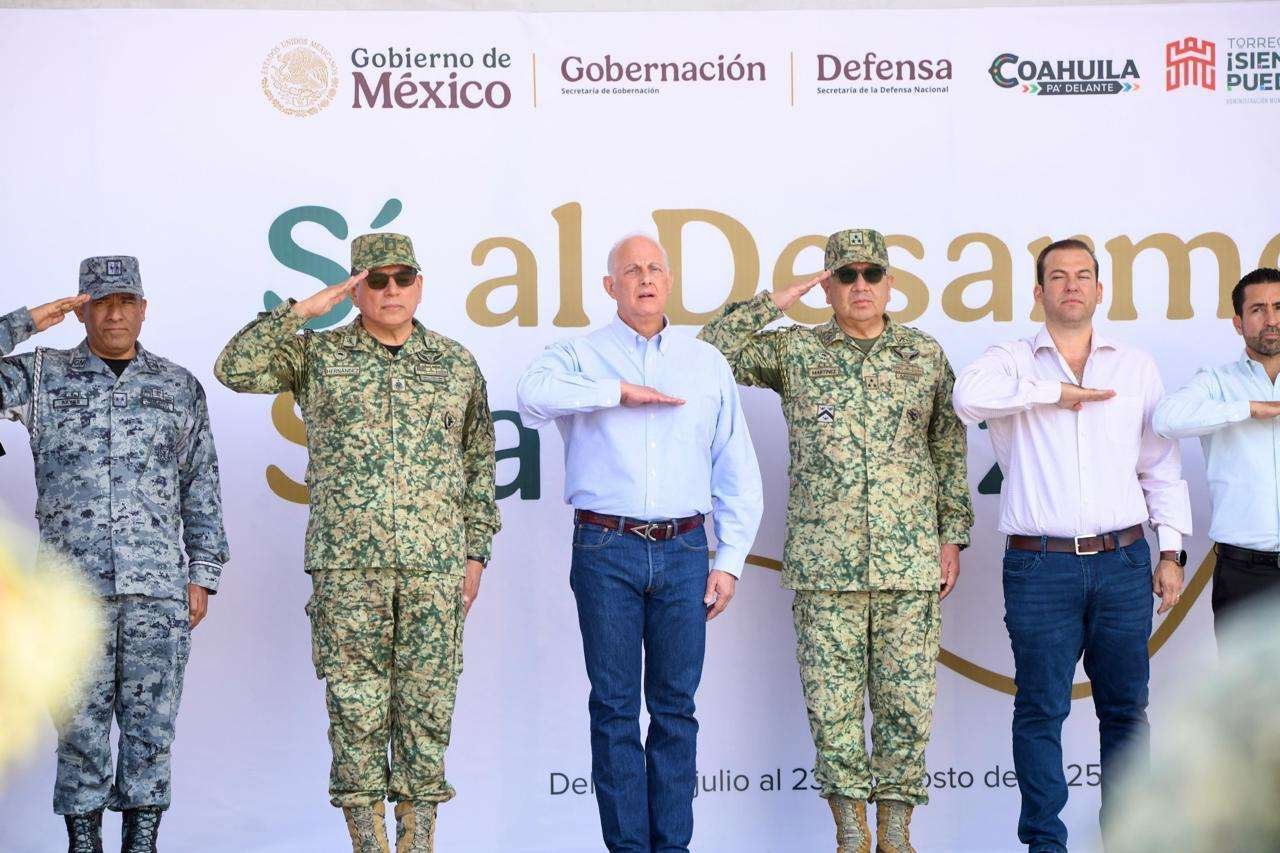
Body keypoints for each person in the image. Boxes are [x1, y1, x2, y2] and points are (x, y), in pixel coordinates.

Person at [214, 233, 500, 853]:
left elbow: (479, 463)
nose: (391, 290)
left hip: (434, 568)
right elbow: (232, 368)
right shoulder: (318, 355)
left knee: (427, 710)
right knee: (355, 710)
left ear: (420, 284)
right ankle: (369, 847)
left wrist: (475, 553)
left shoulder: (455, 363)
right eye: (376, 279)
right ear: (356, 288)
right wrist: (302, 311)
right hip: (348, 568)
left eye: (403, 277)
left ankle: (417, 845)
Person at [698, 227, 973, 853]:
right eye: (845, 275)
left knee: (908, 707)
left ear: (890, 283)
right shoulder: (797, 351)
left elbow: (947, 449)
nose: (859, 286)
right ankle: (851, 836)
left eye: (871, 274)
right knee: (832, 710)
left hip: (909, 564)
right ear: (829, 287)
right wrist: (777, 301)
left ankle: (896, 838)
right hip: (825, 569)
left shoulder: (923, 355)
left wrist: (951, 536)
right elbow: (710, 350)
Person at [516, 233, 762, 853]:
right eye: (631, 270)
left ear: (670, 281)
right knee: (615, 708)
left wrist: (730, 560)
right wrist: (616, 391)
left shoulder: (706, 362)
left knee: (676, 709)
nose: (645, 278)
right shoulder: (579, 355)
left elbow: (735, 466)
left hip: (686, 550)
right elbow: (531, 397)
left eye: (654, 268)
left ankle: (672, 847)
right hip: (606, 549)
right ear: (610, 286)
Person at [952, 238, 1193, 853]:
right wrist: (1051, 393)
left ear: (1100, 289)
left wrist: (1170, 552)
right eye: (1057, 276)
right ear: (1039, 292)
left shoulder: (1135, 366)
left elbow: (1160, 466)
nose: (1071, 285)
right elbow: (965, 398)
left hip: (1123, 561)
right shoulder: (1010, 360)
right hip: (1040, 565)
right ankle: (1045, 845)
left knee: (1125, 712)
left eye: (1083, 275)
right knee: (1041, 711)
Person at [0, 256, 229, 853]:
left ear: (144, 309)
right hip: (69, 595)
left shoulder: (177, 387)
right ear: (82, 310)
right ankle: (83, 843)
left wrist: (202, 574)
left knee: (152, 729)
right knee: (78, 729)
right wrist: (26, 321)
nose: (115, 314)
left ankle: (141, 842)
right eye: (101, 302)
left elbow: (200, 486)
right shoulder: (42, 376)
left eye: (126, 301)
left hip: (157, 591)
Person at [1154, 268, 1280, 638]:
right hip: (1244, 574)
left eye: (1279, 307)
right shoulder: (1216, 382)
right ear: (1238, 323)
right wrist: (1247, 409)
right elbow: (1165, 419)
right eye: (1258, 309)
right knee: (1247, 680)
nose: (1271, 319)